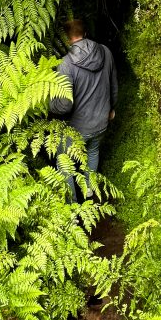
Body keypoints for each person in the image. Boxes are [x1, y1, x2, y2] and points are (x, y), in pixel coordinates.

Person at [49, 18, 118, 201]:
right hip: (101, 120)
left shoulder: (65, 64)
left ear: (67, 38)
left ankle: (72, 205)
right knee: (93, 152)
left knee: (64, 162)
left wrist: (49, 105)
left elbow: (64, 105)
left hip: (77, 128)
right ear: (86, 33)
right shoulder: (106, 52)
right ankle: (89, 189)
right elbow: (113, 86)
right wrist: (111, 109)